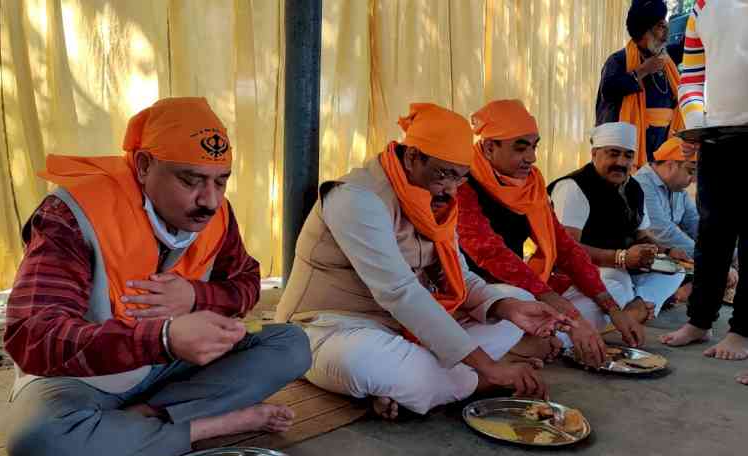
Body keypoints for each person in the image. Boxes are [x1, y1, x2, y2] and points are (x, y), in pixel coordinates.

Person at [3, 97, 312, 456]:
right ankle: (208, 425)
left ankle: (145, 421)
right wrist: (163, 338)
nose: (210, 200)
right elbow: (31, 336)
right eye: (190, 179)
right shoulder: (72, 213)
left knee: (292, 345)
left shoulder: (217, 215)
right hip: (84, 381)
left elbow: (248, 282)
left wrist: (196, 297)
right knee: (39, 443)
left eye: (221, 180)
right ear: (144, 166)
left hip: (171, 365)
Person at [276, 103, 571, 420]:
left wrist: (509, 309)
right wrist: (490, 368)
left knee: (519, 301)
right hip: (333, 330)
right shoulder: (357, 198)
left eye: (460, 178)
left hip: (403, 330)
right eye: (444, 174)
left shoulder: (436, 201)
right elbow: (400, 292)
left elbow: (462, 279)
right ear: (413, 157)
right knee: (376, 363)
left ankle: (425, 388)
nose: (450, 189)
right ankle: (476, 383)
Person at [457, 99, 645, 368]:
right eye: (521, 148)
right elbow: (490, 253)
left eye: (534, 146)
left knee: (612, 290)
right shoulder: (462, 182)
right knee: (522, 301)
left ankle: (539, 341)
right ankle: (531, 343)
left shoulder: (531, 183)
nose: (532, 157)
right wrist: (571, 317)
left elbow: (565, 247)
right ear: (489, 147)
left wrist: (613, 310)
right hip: (474, 294)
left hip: (522, 287)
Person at [660, 0, 748, 375]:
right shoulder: (702, 6)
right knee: (712, 234)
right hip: (717, 135)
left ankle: (742, 330)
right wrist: (696, 122)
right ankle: (699, 320)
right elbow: (693, 75)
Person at [549, 122, 686, 322]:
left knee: (675, 270)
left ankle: (635, 308)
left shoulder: (634, 187)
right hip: (587, 271)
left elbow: (642, 235)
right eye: (613, 154)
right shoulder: (573, 187)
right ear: (594, 154)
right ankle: (638, 306)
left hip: (625, 266)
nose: (621, 162)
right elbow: (566, 251)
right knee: (617, 284)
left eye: (628, 156)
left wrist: (666, 251)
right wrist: (620, 258)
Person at [637, 136, 737, 303]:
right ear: (670, 165)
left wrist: (728, 253)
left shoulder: (677, 190)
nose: (694, 179)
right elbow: (664, 233)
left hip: (672, 258)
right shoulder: (642, 184)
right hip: (649, 259)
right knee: (707, 275)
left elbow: (696, 225)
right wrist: (714, 263)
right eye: (691, 171)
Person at [595, 0, 684, 166]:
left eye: (665, 23)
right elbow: (608, 90)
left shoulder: (666, 58)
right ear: (644, 33)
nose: (666, 28)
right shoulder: (619, 60)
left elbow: (686, 47)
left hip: (662, 151)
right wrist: (641, 71)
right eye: (659, 25)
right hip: (628, 151)